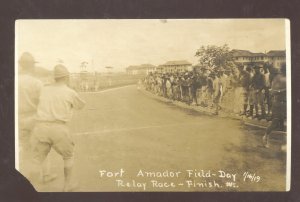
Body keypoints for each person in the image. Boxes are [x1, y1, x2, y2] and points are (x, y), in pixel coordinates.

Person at [30, 64, 85, 191]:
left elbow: (36, 101)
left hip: (40, 127)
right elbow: (80, 106)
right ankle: (67, 186)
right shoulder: (70, 92)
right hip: (59, 128)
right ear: (66, 77)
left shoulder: (44, 89)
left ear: (54, 78)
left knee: (36, 160)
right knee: (68, 156)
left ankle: (26, 188)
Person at [262, 64, 286, 148]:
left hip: (287, 104)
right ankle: (266, 137)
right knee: (275, 123)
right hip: (279, 103)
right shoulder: (277, 79)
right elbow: (273, 92)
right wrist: (284, 90)